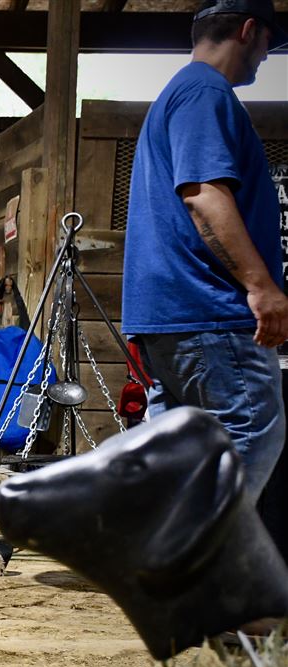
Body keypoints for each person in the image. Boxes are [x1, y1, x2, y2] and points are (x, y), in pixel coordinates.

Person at [122, 0, 288, 512]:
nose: (265, 58)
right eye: (267, 45)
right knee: (253, 431)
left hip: (169, 318)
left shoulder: (178, 93)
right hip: (209, 313)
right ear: (248, 31)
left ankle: (167, 577)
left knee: (184, 458)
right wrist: (261, 286)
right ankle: (197, 568)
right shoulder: (204, 93)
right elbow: (204, 195)